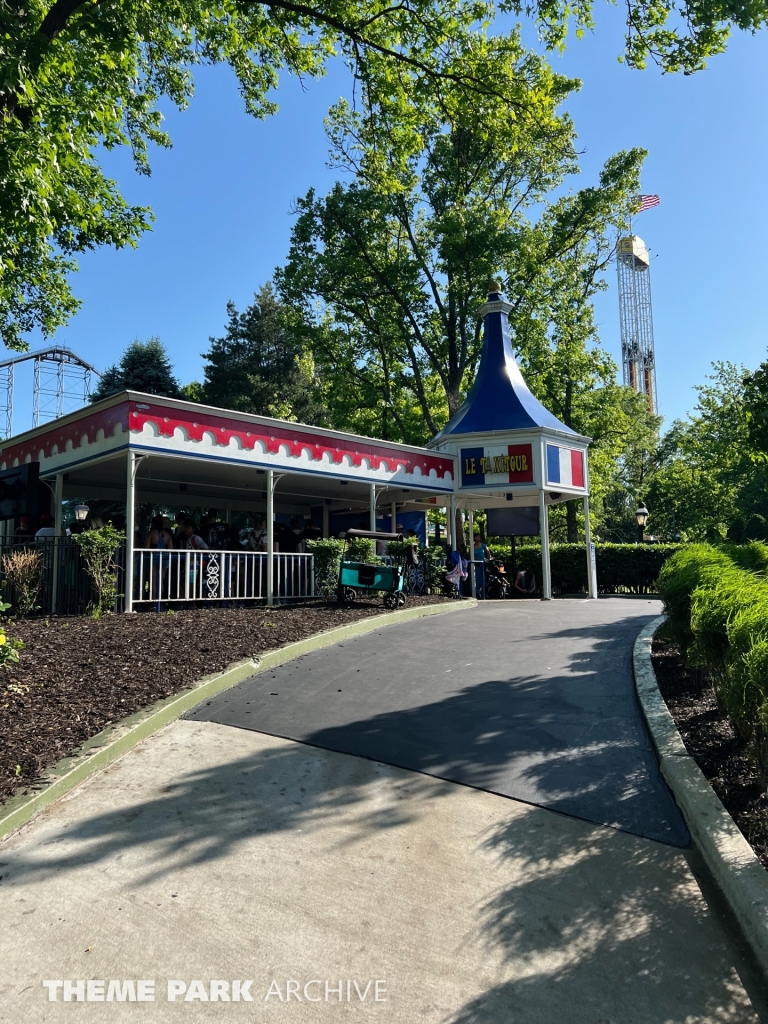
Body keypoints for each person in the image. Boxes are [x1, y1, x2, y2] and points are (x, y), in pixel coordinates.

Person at [472, 532, 488, 599]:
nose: (477, 538)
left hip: (483, 565)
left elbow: (488, 554)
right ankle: (476, 593)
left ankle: (485, 593)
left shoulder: (483, 546)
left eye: (478, 537)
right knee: (476, 579)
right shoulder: (472, 546)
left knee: (484, 578)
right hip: (476, 565)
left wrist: (488, 560)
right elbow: (470, 555)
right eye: (476, 537)